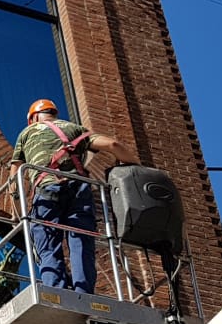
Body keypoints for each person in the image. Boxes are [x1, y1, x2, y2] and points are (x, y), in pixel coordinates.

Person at [8, 98, 138, 294]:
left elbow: (14, 178)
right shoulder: (75, 129)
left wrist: (17, 213)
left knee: (47, 246)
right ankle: (84, 293)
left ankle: (56, 291)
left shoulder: (28, 132)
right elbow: (113, 144)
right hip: (79, 192)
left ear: (33, 118)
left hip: (46, 192)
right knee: (81, 242)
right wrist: (138, 169)